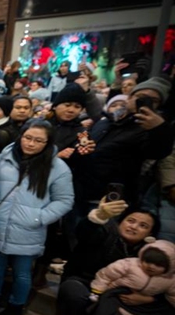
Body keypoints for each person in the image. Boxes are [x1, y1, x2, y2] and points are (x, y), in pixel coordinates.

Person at [0, 120, 74, 315]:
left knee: (22, 273)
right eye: (27, 138)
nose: (31, 144)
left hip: (29, 230)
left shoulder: (57, 167)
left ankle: (16, 306)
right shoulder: (4, 157)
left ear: (47, 143)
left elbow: (65, 200)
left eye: (38, 140)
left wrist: (39, 218)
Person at [68, 77, 174, 220]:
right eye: (141, 97)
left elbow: (158, 151)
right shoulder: (107, 121)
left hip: (107, 201)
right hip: (79, 192)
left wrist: (159, 129)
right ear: (130, 97)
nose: (144, 102)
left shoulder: (149, 128)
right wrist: (78, 151)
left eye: (153, 100)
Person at [55, 198, 158, 315]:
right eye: (131, 221)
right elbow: (85, 232)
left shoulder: (150, 252)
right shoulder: (105, 230)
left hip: (118, 292)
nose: (133, 227)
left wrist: (149, 298)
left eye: (143, 226)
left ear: (150, 234)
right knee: (74, 292)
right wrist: (99, 216)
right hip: (85, 283)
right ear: (121, 221)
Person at [89, 240, 175, 315]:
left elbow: (173, 294)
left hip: (139, 304)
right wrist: (97, 290)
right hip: (116, 295)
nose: (151, 266)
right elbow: (107, 274)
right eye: (148, 261)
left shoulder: (169, 279)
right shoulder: (130, 264)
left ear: (169, 267)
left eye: (158, 265)